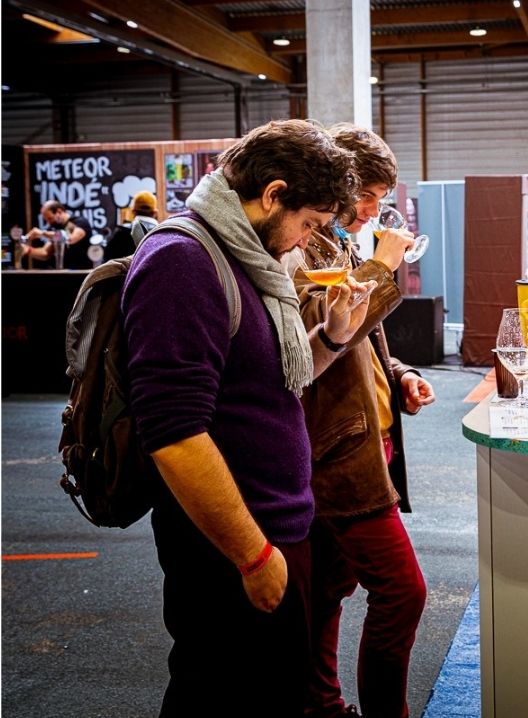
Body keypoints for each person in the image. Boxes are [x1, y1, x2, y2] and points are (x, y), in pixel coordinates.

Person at [122, 119, 369, 717]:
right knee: (221, 694)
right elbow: (174, 434)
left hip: (275, 528)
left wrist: (332, 337)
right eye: (308, 223)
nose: (305, 241)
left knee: (273, 694)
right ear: (273, 194)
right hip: (229, 545)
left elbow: (271, 384)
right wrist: (252, 555)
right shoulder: (183, 261)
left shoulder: (247, 258)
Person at [287, 124, 436, 718]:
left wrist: (400, 376)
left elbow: (364, 343)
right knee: (402, 591)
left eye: (380, 197)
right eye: (367, 195)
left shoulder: (337, 244)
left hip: (365, 441)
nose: (374, 210)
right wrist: (382, 266)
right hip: (336, 451)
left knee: (328, 588)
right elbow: (317, 339)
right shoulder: (301, 244)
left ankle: (321, 706)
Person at [22, 200, 93, 268]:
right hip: (64, 271)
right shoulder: (55, 229)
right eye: (46, 220)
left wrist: (42, 233)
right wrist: (27, 249)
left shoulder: (80, 222)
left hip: (82, 271)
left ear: (59, 211)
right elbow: (45, 253)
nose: (49, 223)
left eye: (50, 218)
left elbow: (70, 239)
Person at [105, 190, 159, 261]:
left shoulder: (121, 232)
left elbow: (108, 258)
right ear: (155, 212)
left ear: (133, 211)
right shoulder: (162, 233)